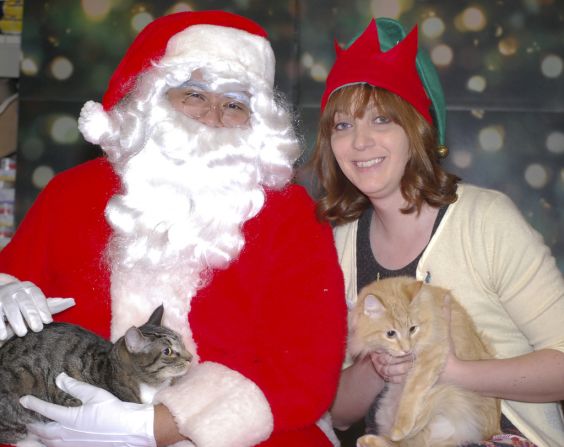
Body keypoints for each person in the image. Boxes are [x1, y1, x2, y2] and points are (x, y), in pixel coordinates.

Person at [0, 10, 348, 447]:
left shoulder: (291, 214)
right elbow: (15, 289)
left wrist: (154, 427)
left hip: (228, 434)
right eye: (194, 94)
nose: (212, 116)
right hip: (58, 427)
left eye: (235, 105)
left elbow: (306, 375)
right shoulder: (72, 193)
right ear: (155, 98)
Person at [308, 17, 564, 447]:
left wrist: (453, 370)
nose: (360, 142)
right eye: (343, 125)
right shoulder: (340, 241)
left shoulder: (485, 221)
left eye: (382, 120)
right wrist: (377, 366)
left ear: (418, 128)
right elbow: (334, 409)